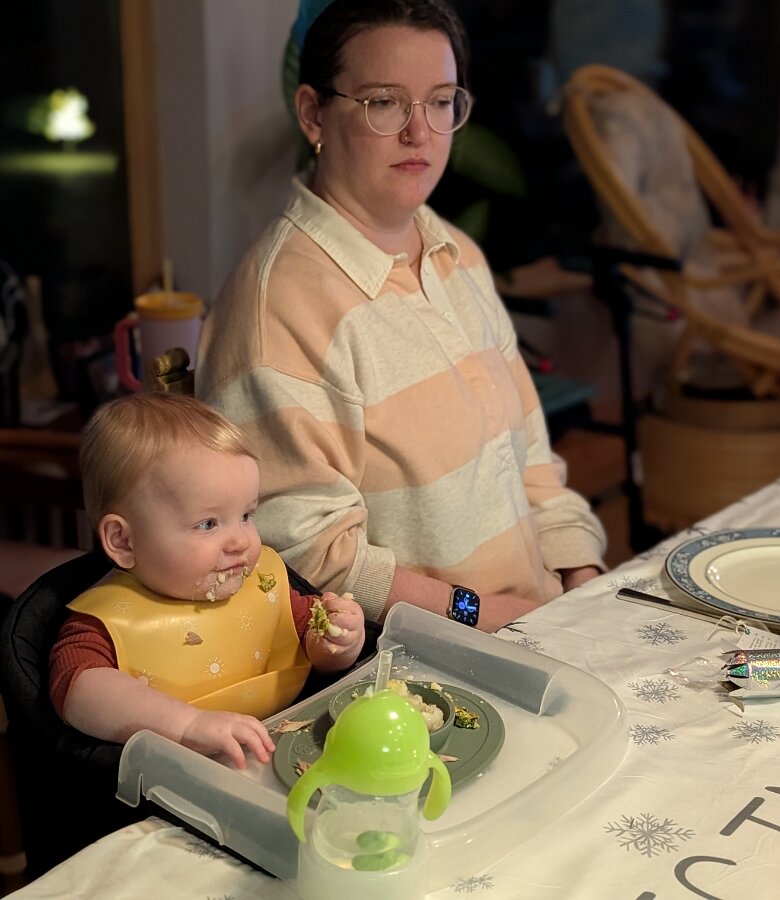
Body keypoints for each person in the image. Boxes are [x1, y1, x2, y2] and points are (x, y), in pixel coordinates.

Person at [197, 0, 607, 636]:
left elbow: (533, 463)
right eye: (384, 102)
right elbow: (315, 557)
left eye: (440, 102)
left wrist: (582, 580)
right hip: (427, 667)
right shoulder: (276, 308)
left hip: (545, 625)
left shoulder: (455, 253)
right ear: (313, 113)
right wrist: (493, 618)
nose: (421, 132)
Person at [48, 393, 365, 768]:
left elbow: (312, 648)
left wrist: (338, 641)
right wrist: (187, 725)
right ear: (124, 541)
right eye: (208, 524)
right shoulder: (105, 624)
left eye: (246, 516)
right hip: (179, 782)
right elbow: (77, 690)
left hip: (286, 756)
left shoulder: (261, 584)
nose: (240, 541)